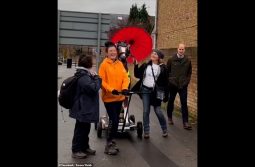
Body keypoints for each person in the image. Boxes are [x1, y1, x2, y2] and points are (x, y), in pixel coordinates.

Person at [98, 41, 130, 155]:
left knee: (115, 121)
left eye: (114, 51)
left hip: (119, 97)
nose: (113, 53)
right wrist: (112, 90)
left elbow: (125, 77)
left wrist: (125, 87)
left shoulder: (120, 64)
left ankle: (112, 141)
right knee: (114, 120)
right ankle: (109, 144)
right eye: (110, 51)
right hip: (109, 98)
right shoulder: (104, 65)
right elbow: (101, 81)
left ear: (117, 52)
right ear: (107, 53)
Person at [69, 54, 102, 159]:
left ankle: (84, 147)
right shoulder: (83, 76)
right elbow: (93, 88)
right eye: (92, 62)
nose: (93, 63)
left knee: (85, 127)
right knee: (80, 129)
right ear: (88, 64)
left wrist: (93, 77)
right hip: (82, 108)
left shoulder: (85, 74)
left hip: (85, 107)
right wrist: (97, 78)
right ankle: (76, 150)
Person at [132, 49, 169, 139]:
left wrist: (166, 95)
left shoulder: (163, 68)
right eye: (152, 53)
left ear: (159, 57)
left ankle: (164, 129)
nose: (153, 54)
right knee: (145, 111)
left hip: (156, 92)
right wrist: (136, 64)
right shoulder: (146, 65)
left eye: (155, 54)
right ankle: (146, 131)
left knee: (158, 111)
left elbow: (166, 83)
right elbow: (137, 75)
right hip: (145, 90)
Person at [166, 43, 192, 130]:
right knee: (171, 101)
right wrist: (170, 80)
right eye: (180, 49)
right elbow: (167, 71)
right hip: (173, 85)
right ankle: (169, 117)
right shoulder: (171, 59)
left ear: (185, 50)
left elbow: (189, 72)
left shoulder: (188, 60)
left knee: (184, 103)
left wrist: (186, 82)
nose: (181, 51)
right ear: (177, 49)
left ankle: (185, 122)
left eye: (183, 49)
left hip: (183, 85)